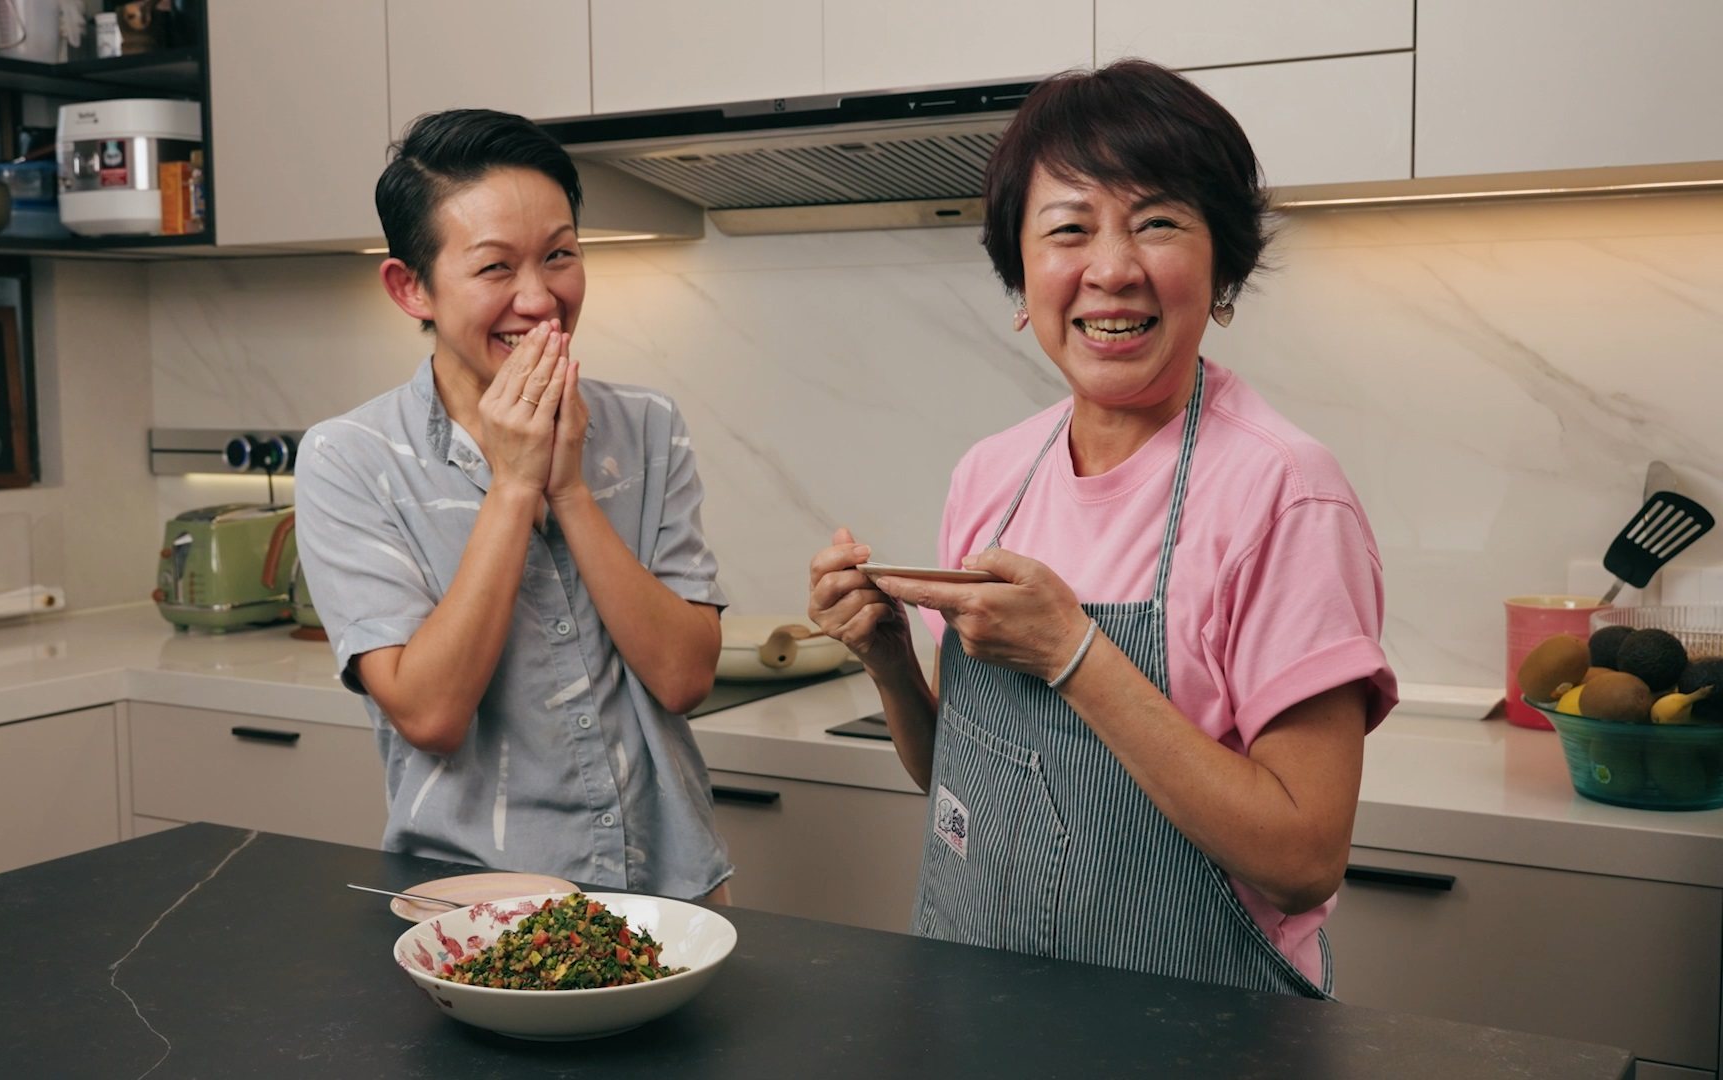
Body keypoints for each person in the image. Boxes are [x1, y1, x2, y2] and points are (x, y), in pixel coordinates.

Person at [807, 61, 1395, 996]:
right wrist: (885, 658)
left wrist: (1075, 652)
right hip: (977, 1003)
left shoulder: (1283, 492)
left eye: (1157, 222)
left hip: (1198, 1030)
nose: (1112, 269)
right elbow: (959, 780)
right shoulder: (993, 475)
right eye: (1069, 229)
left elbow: (1303, 857)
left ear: (1224, 264)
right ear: (1021, 273)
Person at [294, 110, 731, 902]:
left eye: (560, 256)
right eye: (496, 268)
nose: (541, 298)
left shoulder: (647, 427)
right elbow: (429, 713)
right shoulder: (348, 458)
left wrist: (567, 486)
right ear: (411, 288)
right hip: (471, 910)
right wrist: (515, 483)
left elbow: (684, 676)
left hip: (673, 894)